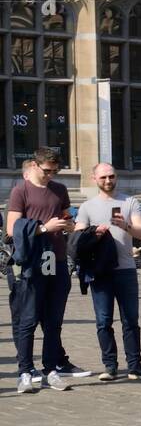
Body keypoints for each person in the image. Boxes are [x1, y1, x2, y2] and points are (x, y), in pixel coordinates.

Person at [7, 147, 87, 392]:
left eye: (55, 171)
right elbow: (12, 229)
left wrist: (70, 225)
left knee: (53, 321)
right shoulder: (20, 190)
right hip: (32, 261)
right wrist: (44, 228)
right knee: (28, 319)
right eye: (46, 171)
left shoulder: (60, 190)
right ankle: (24, 371)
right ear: (34, 165)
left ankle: (51, 369)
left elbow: (64, 216)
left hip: (56, 258)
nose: (50, 175)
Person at [73, 163, 141, 382]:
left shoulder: (130, 201)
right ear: (94, 179)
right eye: (103, 178)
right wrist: (94, 233)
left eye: (111, 176)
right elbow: (78, 239)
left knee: (130, 320)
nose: (108, 181)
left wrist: (125, 225)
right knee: (103, 321)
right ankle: (110, 367)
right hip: (100, 270)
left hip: (126, 269)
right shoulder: (87, 207)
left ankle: (135, 367)